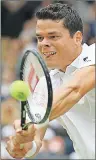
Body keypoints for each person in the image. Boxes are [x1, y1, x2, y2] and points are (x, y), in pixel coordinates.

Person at [6, 3, 95, 159]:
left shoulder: (93, 54)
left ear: (77, 38)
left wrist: (30, 122)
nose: (43, 43)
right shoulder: (44, 86)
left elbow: (75, 89)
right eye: (39, 38)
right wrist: (24, 144)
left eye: (53, 36)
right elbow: (36, 141)